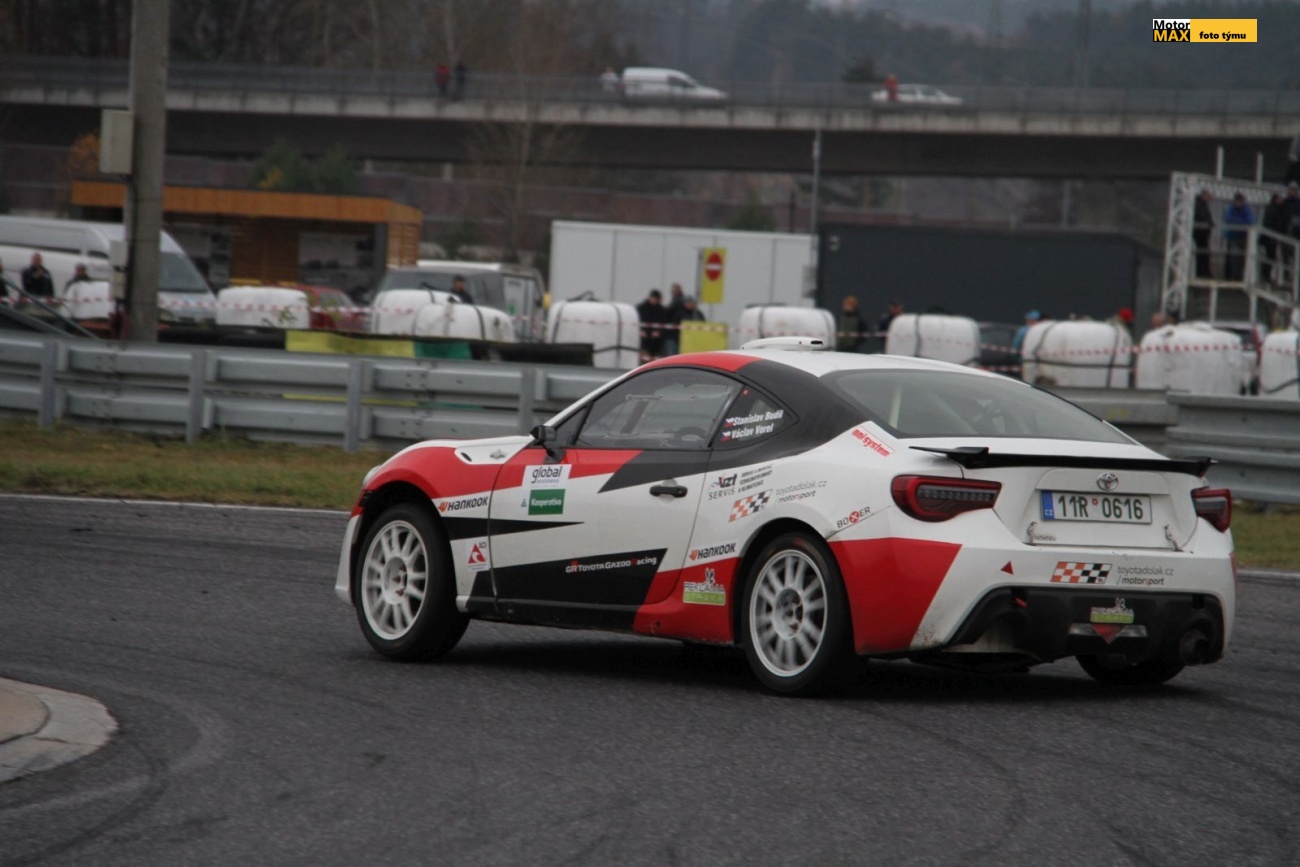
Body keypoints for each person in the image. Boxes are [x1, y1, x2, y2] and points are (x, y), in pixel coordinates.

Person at [1222, 191, 1255, 282]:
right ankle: (1231, 277)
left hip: (1243, 237)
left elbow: (1250, 221)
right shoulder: (1230, 208)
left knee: (1242, 258)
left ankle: (1239, 277)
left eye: (1240, 201)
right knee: (1232, 258)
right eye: (1237, 201)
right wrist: (1242, 222)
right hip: (1233, 237)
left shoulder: (1247, 209)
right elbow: (1228, 219)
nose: (1238, 203)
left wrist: (1237, 221)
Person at [636, 288, 668, 361]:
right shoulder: (641, 308)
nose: (654, 300)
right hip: (643, 338)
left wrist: (659, 332)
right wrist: (640, 330)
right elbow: (637, 320)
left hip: (656, 340)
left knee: (654, 357)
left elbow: (664, 323)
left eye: (656, 299)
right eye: (653, 298)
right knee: (643, 356)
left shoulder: (662, 310)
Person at [1262, 193, 1286, 283]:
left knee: (1272, 257)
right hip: (1271, 237)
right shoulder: (1273, 209)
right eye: (1280, 199)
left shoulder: (1275, 209)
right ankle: (1267, 276)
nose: (1281, 201)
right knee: (1270, 256)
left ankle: (1271, 276)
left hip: (1273, 237)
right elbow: (1270, 223)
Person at [1193, 188, 1214, 279]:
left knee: (1204, 253)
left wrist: (1210, 223)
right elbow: (1201, 216)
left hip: (1203, 233)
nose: (1209, 199)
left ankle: (1204, 272)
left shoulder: (1201, 204)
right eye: (1208, 196)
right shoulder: (1199, 204)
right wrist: (1209, 222)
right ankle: (1202, 273)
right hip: (1200, 233)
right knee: (1202, 253)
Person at [662, 282, 685, 355]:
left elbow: (670, 311)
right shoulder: (679, 300)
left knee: (673, 351)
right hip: (676, 330)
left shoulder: (677, 300)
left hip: (674, 330)